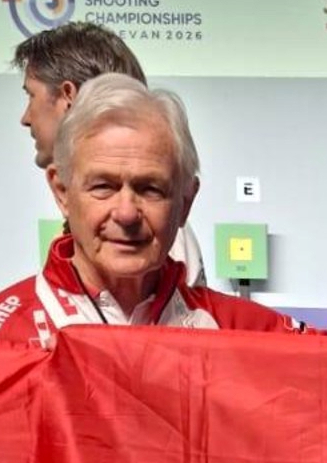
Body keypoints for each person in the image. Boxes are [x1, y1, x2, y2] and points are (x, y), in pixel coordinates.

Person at [0, 73, 309, 463]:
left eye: (150, 189)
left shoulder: (247, 334)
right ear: (62, 191)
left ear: (186, 201)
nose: (126, 213)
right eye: (103, 187)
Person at [13, 21, 207, 286]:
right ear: (60, 190)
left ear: (69, 97)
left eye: (31, 96)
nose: (25, 118)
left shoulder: (158, 243)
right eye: (103, 187)